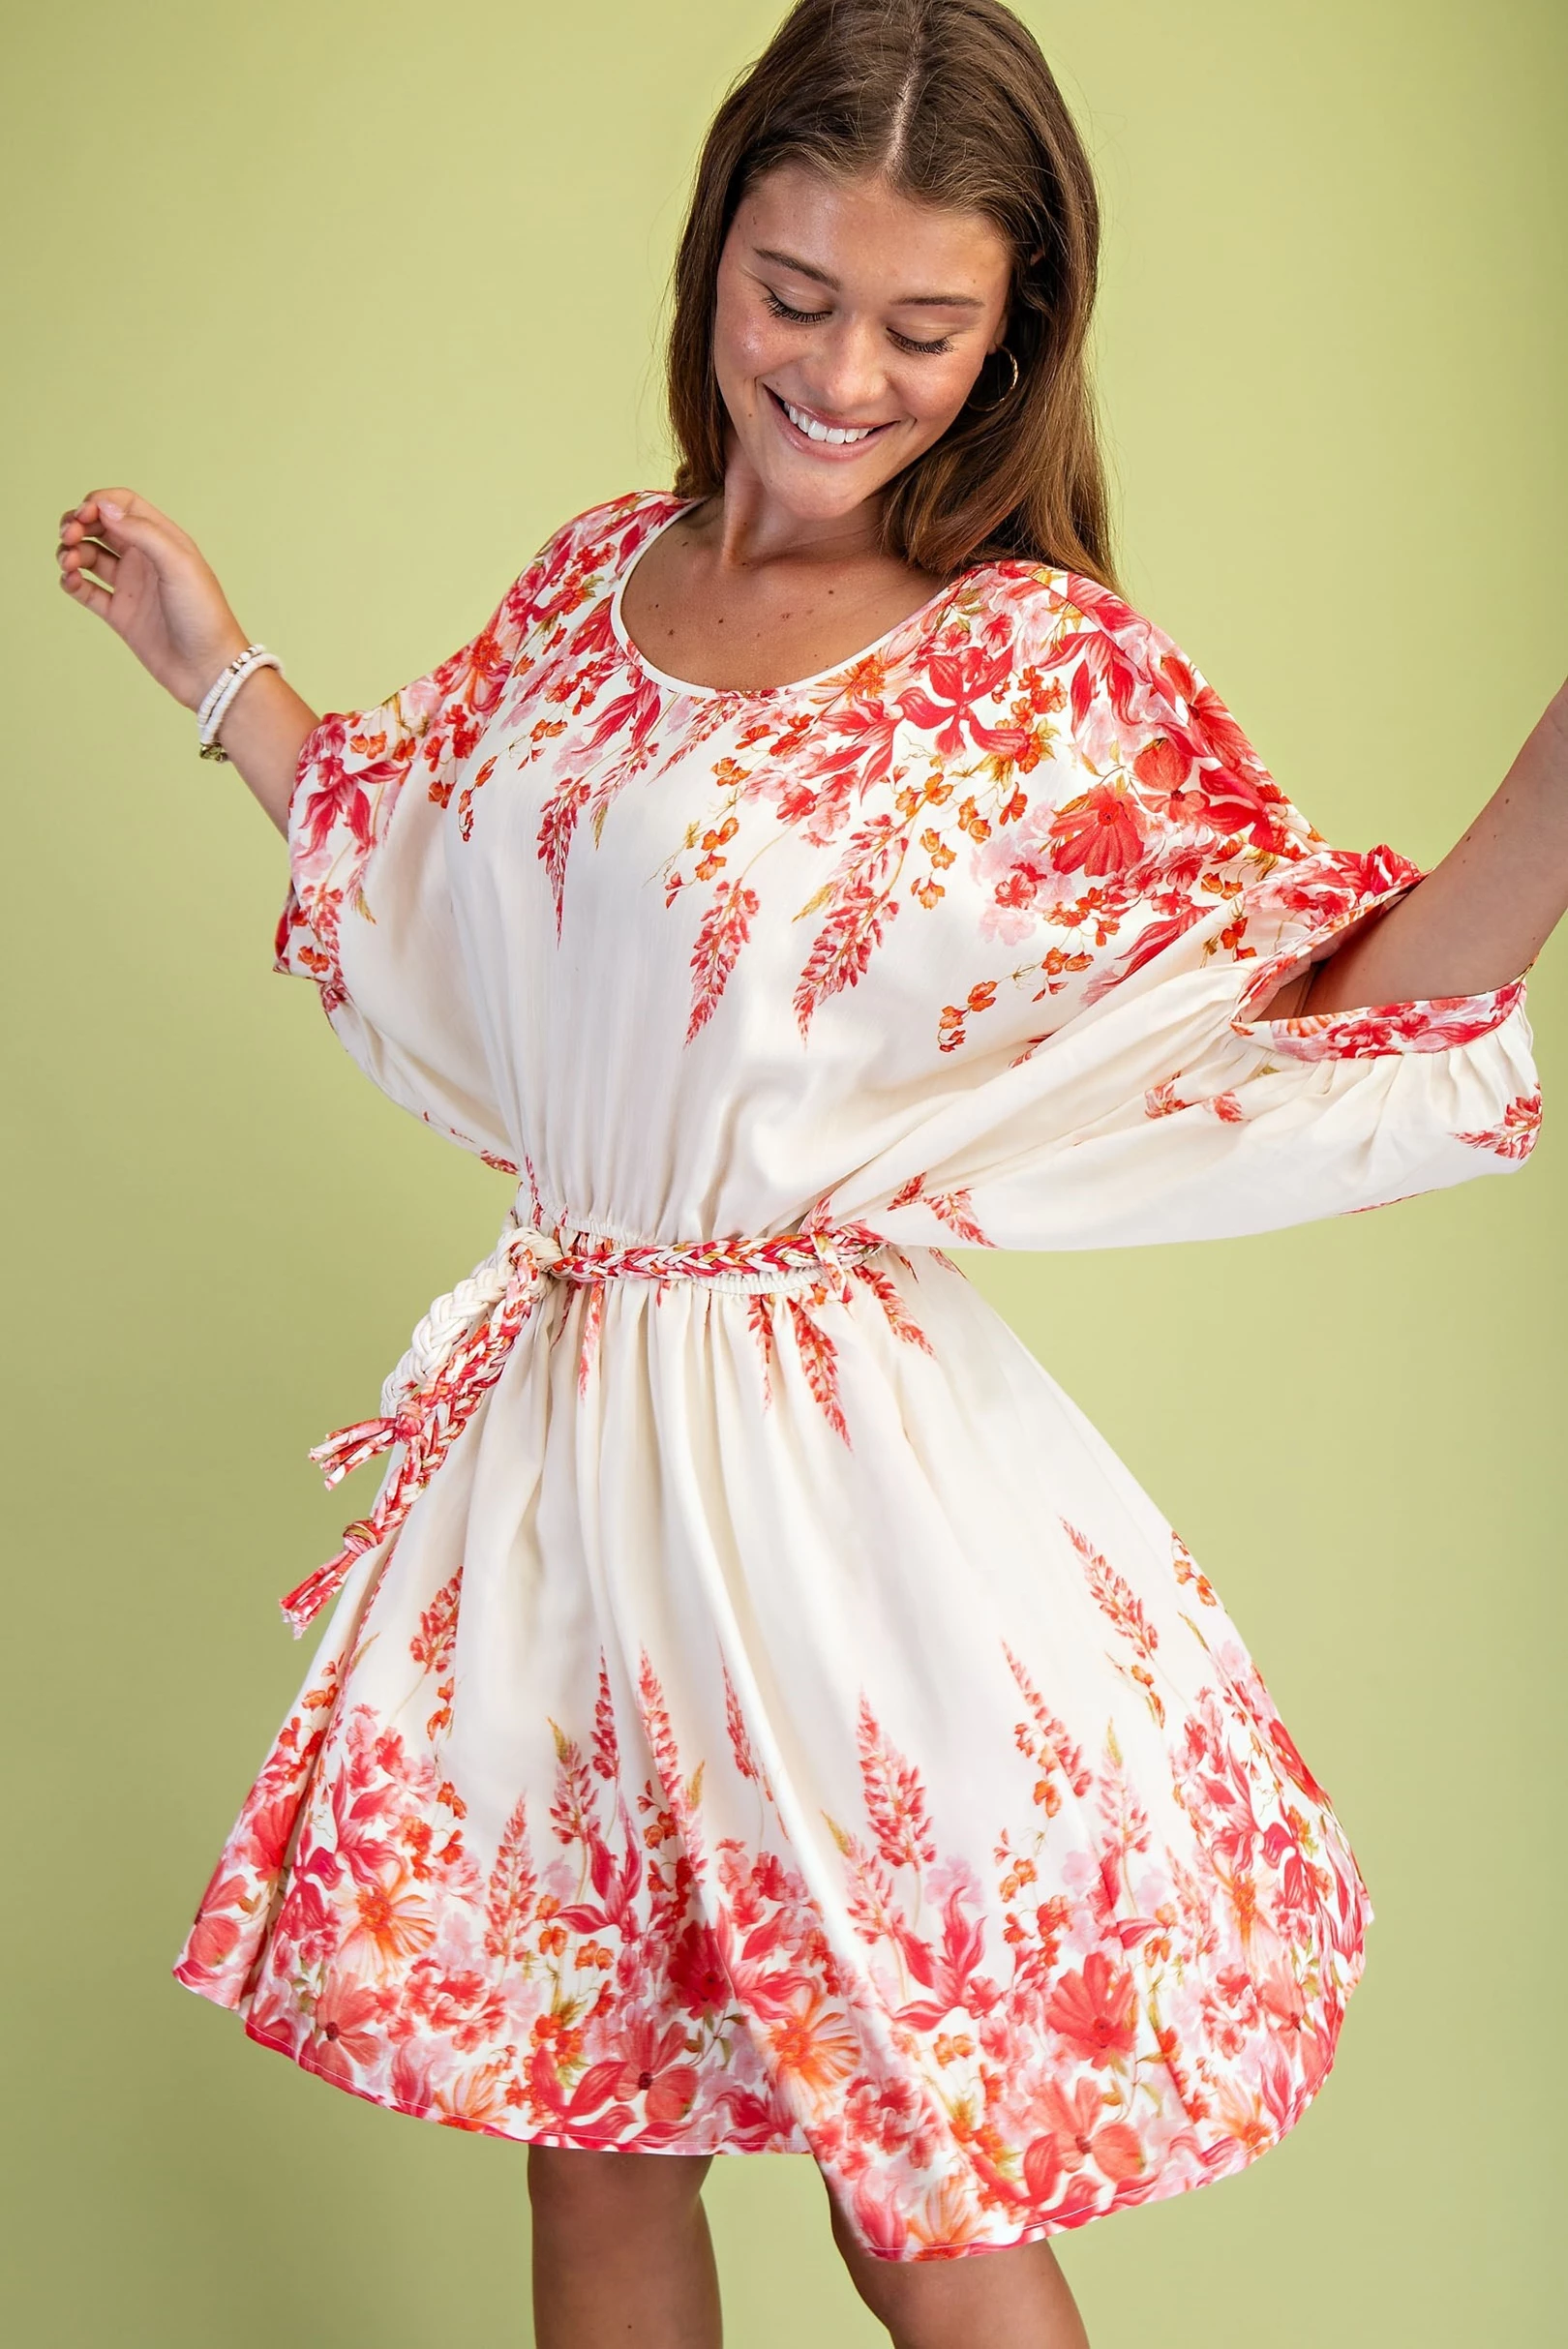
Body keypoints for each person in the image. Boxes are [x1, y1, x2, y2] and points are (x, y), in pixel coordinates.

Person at [55, 3, 1564, 2343]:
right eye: (795, 293)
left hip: (818, 1503)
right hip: (565, 1465)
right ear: (715, 257)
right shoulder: (592, 581)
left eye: (924, 329)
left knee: (914, 2170)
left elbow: (1320, 1000)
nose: (843, 375)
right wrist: (217, 670)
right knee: (592, 2138)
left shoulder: (1030, 674)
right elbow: (440, 888)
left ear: (1014, 340)